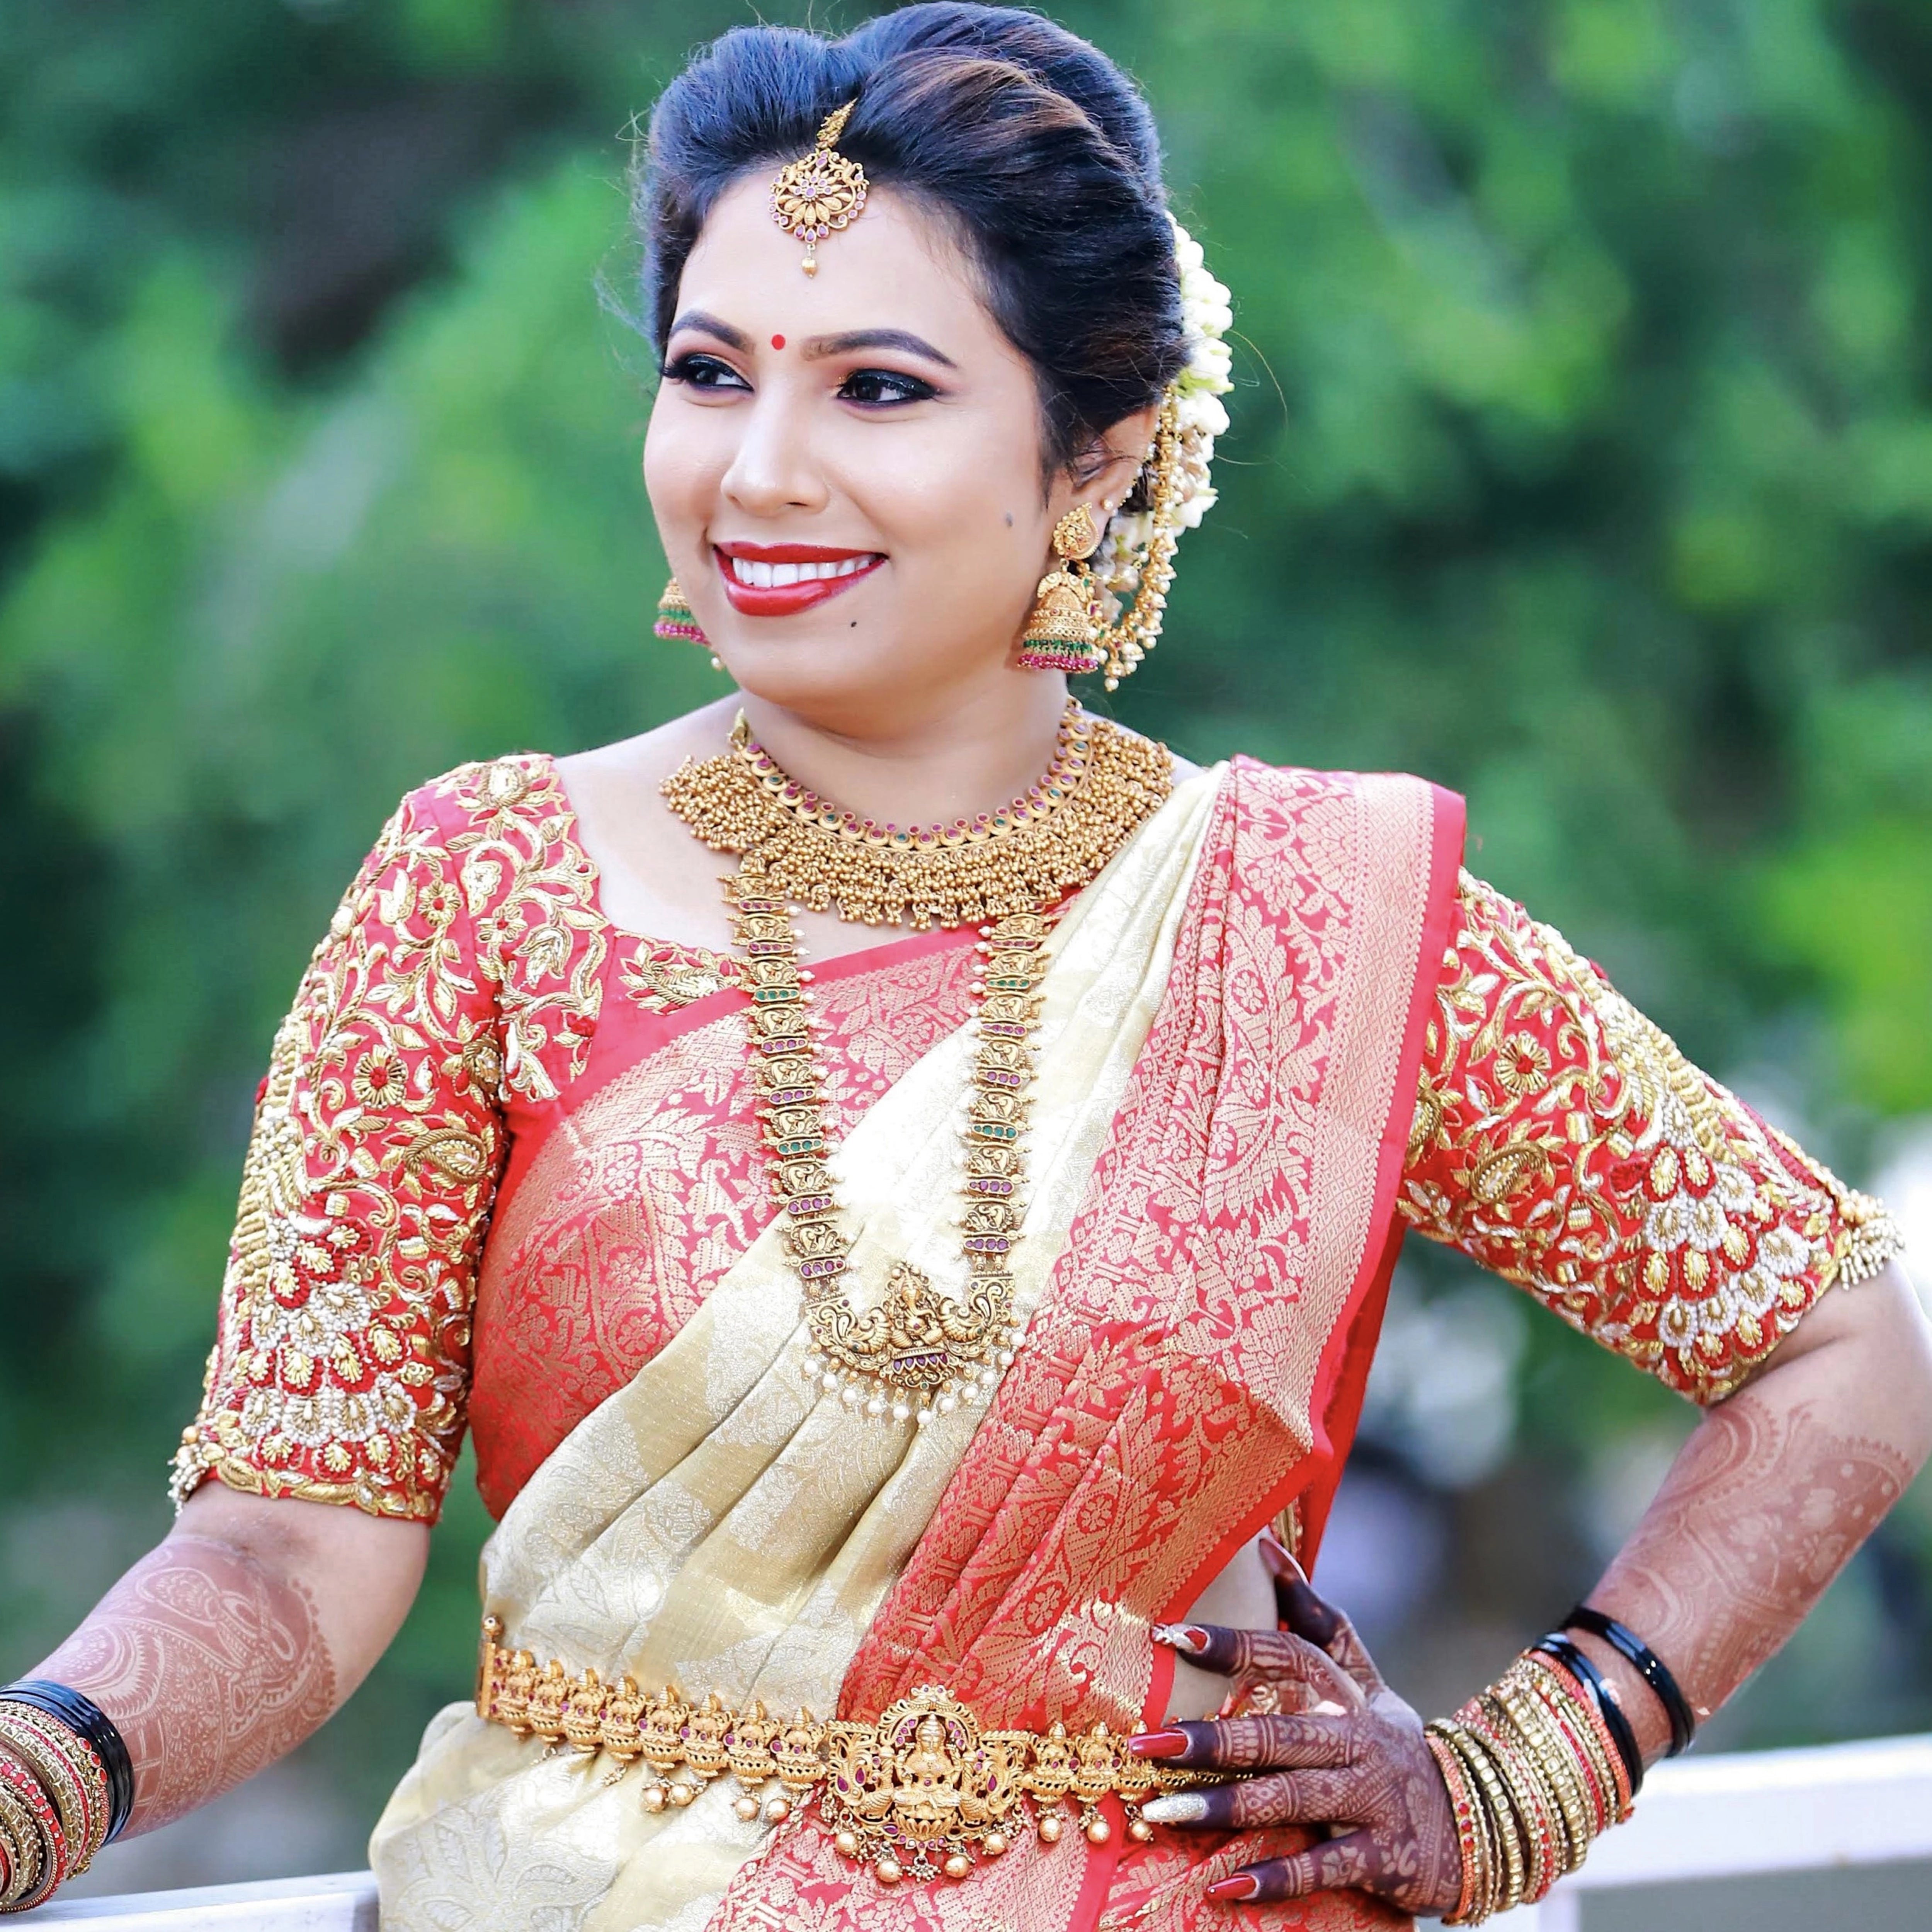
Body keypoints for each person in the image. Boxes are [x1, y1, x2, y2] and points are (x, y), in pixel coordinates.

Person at [3, 7, 1925, 1929]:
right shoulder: (488, 888)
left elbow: (1840, 1344)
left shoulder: (1296, 912)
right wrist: (33, 1780)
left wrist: (1525, 1769)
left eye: (879, 389)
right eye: (707, 371)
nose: (758, 471)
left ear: (1093, 460)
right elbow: (280, 1554)